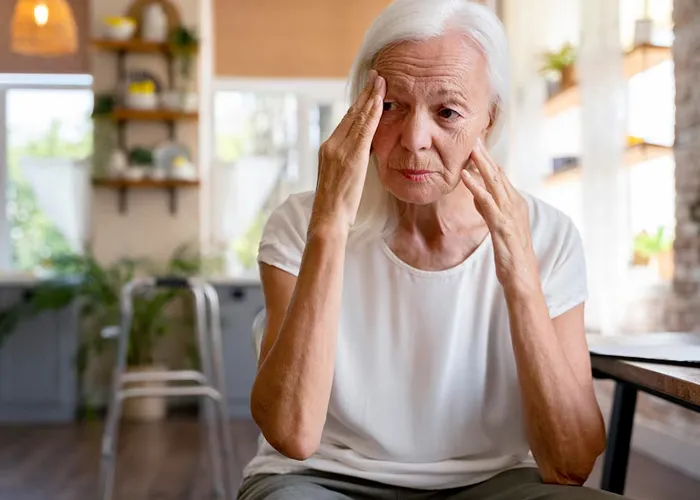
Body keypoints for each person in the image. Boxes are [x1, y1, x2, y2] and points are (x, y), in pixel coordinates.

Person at [238, 1, 621, 498]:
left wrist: (520, 271)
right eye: (391, 106)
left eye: (447, 111)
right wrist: (329, 226)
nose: (415, 140)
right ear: (362, 109)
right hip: (322, 478)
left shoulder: (550, 236)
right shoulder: (301, 222)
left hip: (495, 482)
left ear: (490, 118)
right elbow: (291, 433)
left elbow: (569, 464)